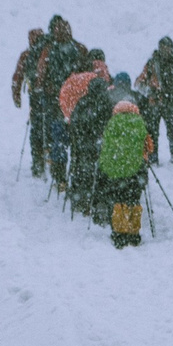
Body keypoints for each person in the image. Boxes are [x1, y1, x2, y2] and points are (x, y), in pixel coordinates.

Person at [28, 16, 86, 186]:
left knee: (56, 133)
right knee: (75, 135)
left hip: (54, 97)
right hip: (74, 98)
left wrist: (39, 87)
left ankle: (57, 172)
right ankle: (76, 173)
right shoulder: (78, 48)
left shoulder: (48, 49)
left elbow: (41, 70)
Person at [60, 49, 112, 219]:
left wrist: (70, 121)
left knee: (78, 165)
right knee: (97, 169)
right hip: (97, 141)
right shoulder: (103, 92)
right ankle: (96, 200)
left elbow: (66, 103)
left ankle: (78, 197)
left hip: (80, 138)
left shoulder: (76, 88)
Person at [97, 91, 152, 248]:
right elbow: (149, 147)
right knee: (133, 199)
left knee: (119, 200)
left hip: (115, 170)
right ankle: (133, 232)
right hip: (136, 169)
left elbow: (105, 148)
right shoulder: (139, 123)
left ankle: (119, 233)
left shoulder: (111, 124)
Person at [137, 36, 173, 162]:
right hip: (154, 103)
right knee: (152, 132)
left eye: (167, 47)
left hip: (171, 103)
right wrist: (149, 90)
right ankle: (152, 157)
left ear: (171, 49)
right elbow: (140, 82)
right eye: (162, 47)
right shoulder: (152, 63)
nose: (165, 50)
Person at [10, 27, 48, 177]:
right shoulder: (50, 52)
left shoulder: (26, 55)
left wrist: (17, 96)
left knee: (36, 128)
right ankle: (51, 158)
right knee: (49, 126)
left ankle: (38, 163)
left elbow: (17, 76)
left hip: (35, 96)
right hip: (51, 97)